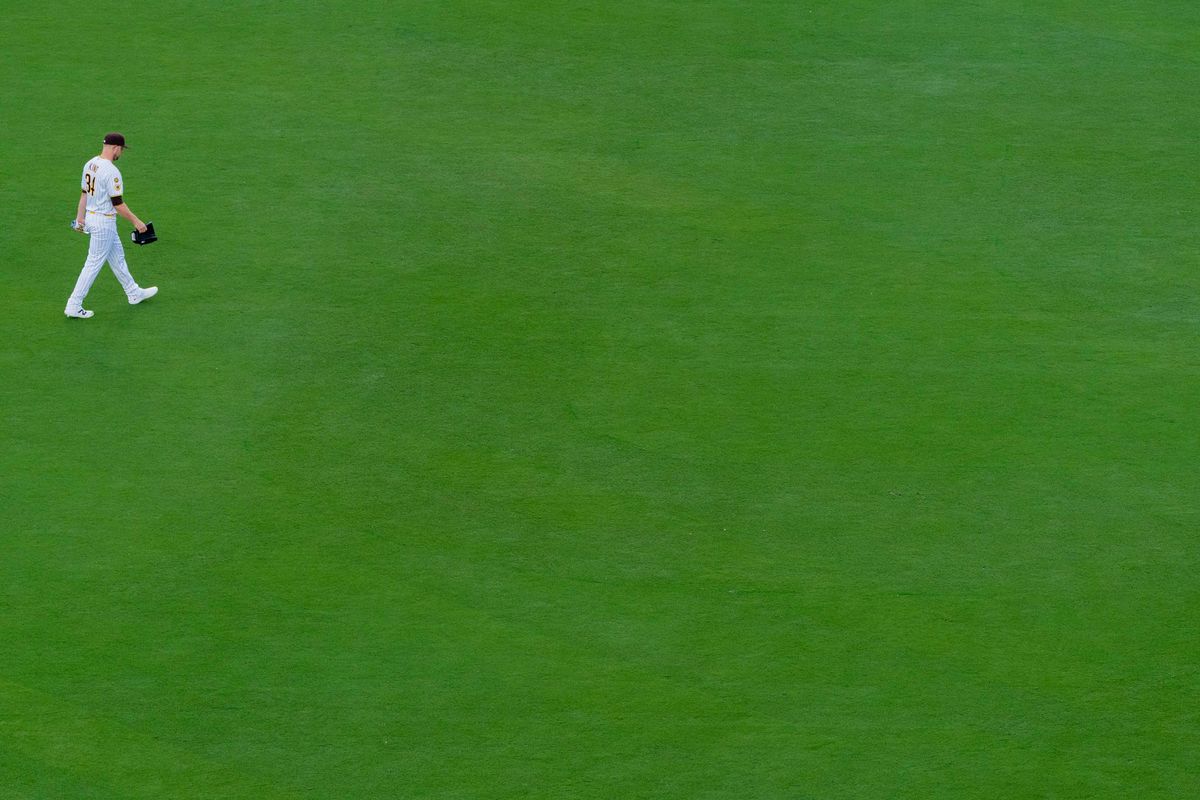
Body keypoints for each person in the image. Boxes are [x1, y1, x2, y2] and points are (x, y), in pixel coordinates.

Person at [65, 132, 158, 319]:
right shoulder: (112, 171)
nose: (121, 154)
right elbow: (118, 204)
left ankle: (133, 292)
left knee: (117, 257)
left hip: (92, 218)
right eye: (121, 150)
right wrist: (137, 222)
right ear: (116, 148)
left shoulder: (90, 164)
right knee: (93, 263)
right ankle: (74, 304)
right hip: (103, 222)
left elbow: (84, 194)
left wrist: (80, 219)